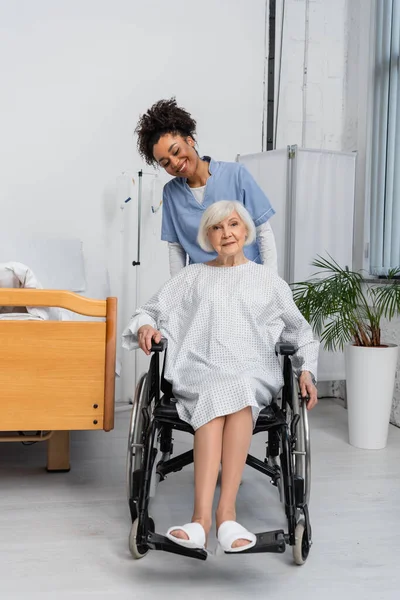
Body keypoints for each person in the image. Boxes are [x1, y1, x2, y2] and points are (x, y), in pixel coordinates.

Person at [122, 200, 319, 554]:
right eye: (216, 227)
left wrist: (307, 370)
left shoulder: (268, 282)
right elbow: (148, 310)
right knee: (217, 391)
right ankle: (203, 521)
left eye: (232, 225)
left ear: (245, 231)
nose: (225, 233)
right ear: (207, 236)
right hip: (200, 367)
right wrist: (147, 326)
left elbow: (301, 332)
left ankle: (224, 515)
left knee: (238, 388)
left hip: (251, 370)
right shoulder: (191, 276)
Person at [134, 98, 278, 276]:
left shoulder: (236, 175)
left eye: (176, 152)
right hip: (204, 286)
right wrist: (178, 290)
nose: (176, 163)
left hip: (246, 279)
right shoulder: (171, 193)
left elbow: (263, 231)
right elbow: (176, 247)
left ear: (190, 141)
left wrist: (271, 282)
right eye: (166, 163)